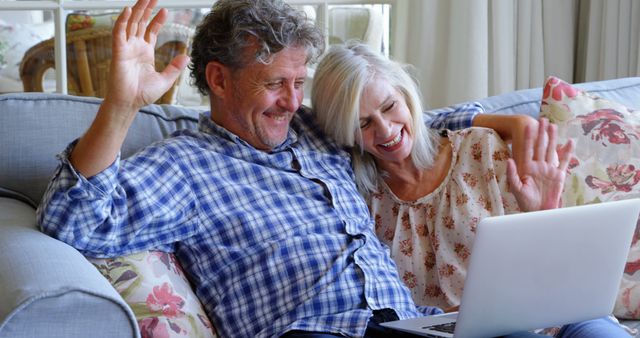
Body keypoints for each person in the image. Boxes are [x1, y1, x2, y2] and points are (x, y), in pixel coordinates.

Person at [34, 0, 622, 337]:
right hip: (313, 333)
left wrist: (508, 123)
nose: (292, 101)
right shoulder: (185, 166)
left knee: (568, 325)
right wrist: (121, 106)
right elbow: (71, 221)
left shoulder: (317, 131)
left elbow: (407, 120)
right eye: (274, 85)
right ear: (218, 80)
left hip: (408, 328)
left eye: (298, 83)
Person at [311, 42, 630, 337]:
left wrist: (543, 211)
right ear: (344, 132)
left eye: (390, 106)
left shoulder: (480, 149)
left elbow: (562, 266)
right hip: (487, 332)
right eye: (363, 123)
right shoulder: (359, 202)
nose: (385, 129)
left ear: (406, 96)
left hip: (567, 314)